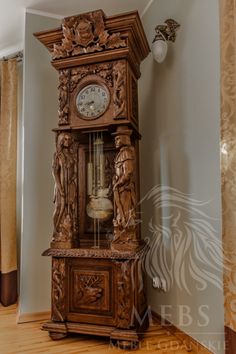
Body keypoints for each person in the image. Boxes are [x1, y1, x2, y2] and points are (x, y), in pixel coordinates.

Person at [52, 132, 77, 241]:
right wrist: (60, 187)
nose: (67, 141)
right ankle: (57, 231)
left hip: (70, 186)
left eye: (69, 139)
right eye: (65, 139)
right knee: (59, 208)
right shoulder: (58, 155)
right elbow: (55, 172)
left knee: (69, 208)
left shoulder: (72, 155)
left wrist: (72, 180)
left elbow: (75, 171)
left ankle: (67, 231)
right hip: (60, 186)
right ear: (61, 141)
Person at [112, 126, 136, 230]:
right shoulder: (121, 153)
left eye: (118, 139)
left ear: (124, 138)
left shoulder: (126, 153)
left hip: (124, 189)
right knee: (120, 212)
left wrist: (118, 183)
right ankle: (122, 232)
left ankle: (126, 235)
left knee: (125, 212)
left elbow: (128, 172)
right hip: (120, 189)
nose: (116, 141)